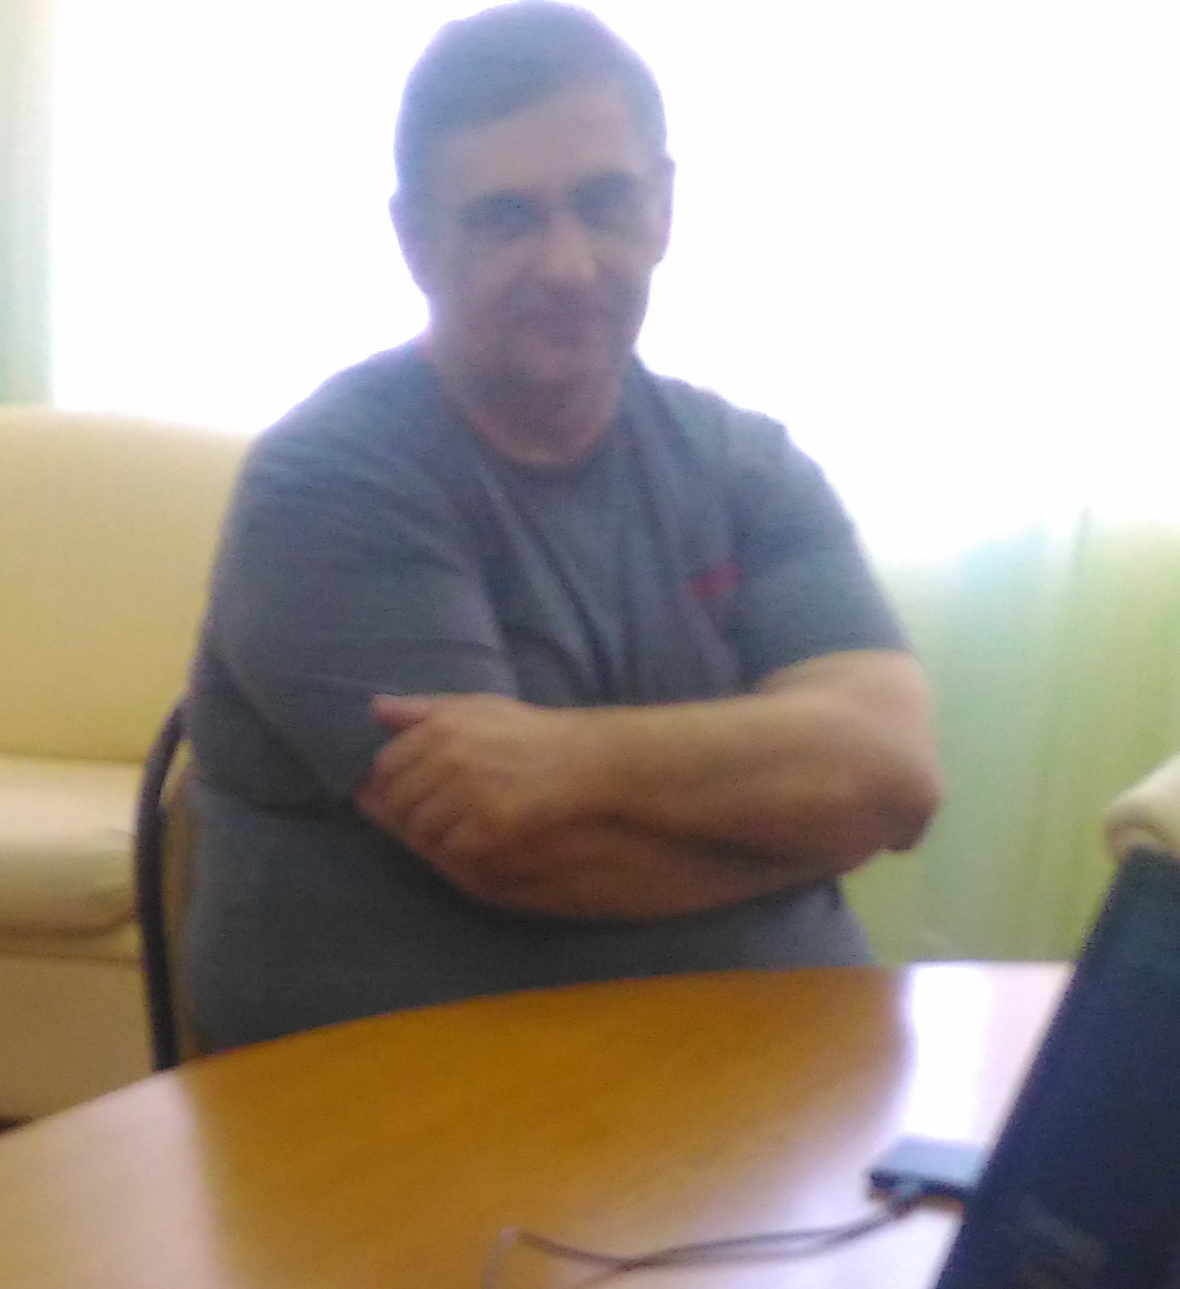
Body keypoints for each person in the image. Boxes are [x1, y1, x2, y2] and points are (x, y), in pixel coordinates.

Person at [179, 1, 944, 1051]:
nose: (569, 266)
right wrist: (808, 833)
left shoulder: (746, 462)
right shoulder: (326, 485)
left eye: (604, 204)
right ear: (415, 241)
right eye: (506, 218)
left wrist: (575, 762)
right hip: (406, 1104)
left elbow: (893, 770)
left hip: (777, 1079)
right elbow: (520, 856)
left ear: (663, 208)